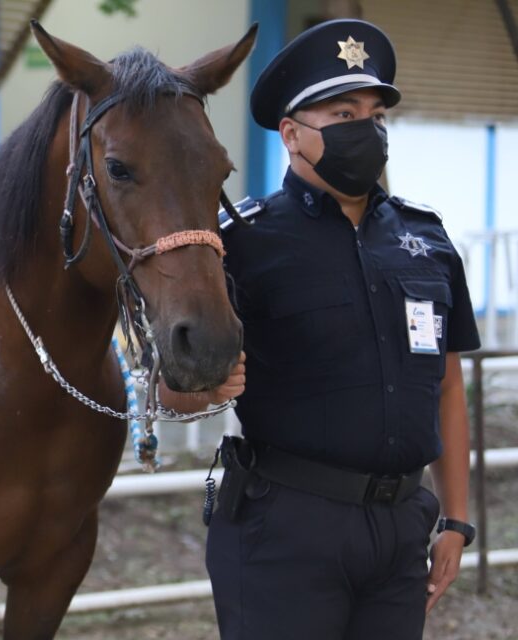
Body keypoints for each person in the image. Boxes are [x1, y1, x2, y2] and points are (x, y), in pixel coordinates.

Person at [166, 18, 479, 640]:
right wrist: (206, 389)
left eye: (374, 114)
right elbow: (173, 393)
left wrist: (457, 521)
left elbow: (445, 387)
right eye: (342, 114)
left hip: (399, 533)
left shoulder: (428, 240)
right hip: (285, 527)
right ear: (291, 134)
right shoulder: (242, 243)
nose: (365, 129)